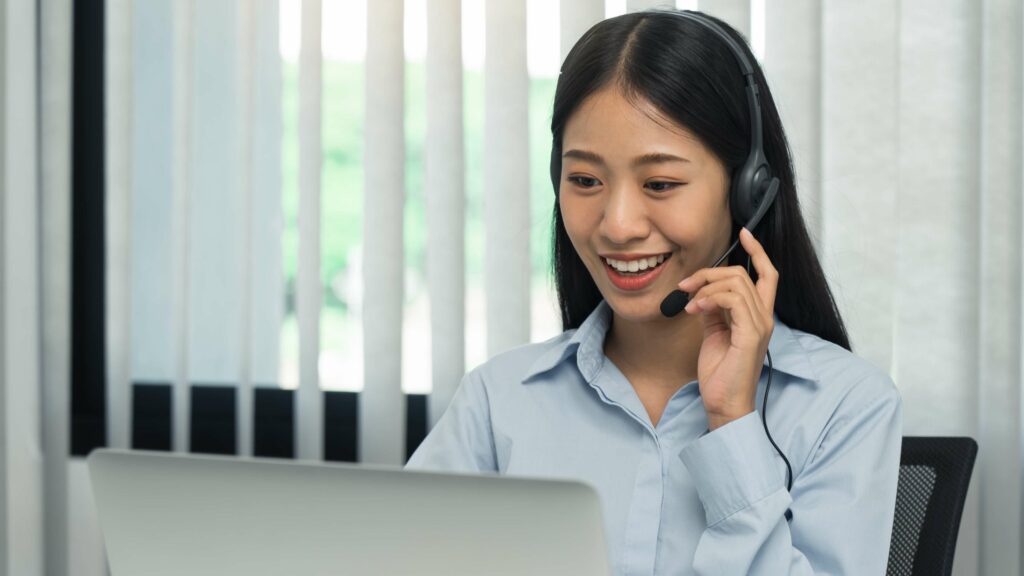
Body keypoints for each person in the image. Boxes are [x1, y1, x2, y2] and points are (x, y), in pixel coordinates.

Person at [405, 9, 902, 576]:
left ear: (748, 192)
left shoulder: (845, 407)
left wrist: (732, 424)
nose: (617, 225)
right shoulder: (499, 402)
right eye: (585, 180)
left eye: (660, 184)